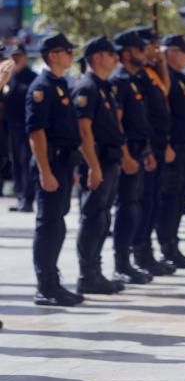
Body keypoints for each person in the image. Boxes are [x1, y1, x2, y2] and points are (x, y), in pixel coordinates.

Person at [25, 33, 84, 306]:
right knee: (48, 226)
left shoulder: (60, 84)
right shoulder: (42, 86)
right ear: (52, 55)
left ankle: (53, 282)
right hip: (50, 164)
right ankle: (45, 286)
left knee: (57, 225)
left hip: (62, 163)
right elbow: (36, 133)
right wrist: (44, 171)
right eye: (66, 51)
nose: (71, 55)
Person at [73, 36, 128, 295]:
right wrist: (93, 167)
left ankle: (95, 272)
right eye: (110, 54)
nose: (115, 58)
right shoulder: (87, 87)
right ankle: (87, 274)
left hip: (110, 159)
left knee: (103, 218)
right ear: (96, 57)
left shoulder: (104, 86)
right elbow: (84, 131)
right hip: (97, 161)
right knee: (93, 218)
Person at [110, 30, 158, 284]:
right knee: (126, 208)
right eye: (140, 50)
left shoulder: (135, 80)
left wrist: (147, 151)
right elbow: (118, 123)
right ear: (127, 53)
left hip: (140, 150)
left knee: (136, 207)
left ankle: (128, 261)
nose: (144, 54)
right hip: (127, 151)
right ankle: (120, 263)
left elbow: (141, 121)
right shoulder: (119, 81)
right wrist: (126, 154)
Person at [133, 27, 177, 276]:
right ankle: (139, 252)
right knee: (144, 201)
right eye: (151, 45)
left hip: (159, 144)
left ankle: (146, 252)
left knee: (153, 201)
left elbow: (165, 90)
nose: (155, 49)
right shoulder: (138, 75)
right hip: (147, 146)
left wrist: (160, 64)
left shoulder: (151, 72)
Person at [156, 34, 185, 268]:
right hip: (173, 147)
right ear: (170, 52)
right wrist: (169, 143)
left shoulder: (181, 78)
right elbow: (165, 115)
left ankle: (173, 245)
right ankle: (166, 248)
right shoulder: (166, 79)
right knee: (169, 200)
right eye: (183, 51)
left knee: (178, 199)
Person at [5, 43, 37, 213]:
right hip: (12, 128)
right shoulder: (9, 78)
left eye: (19, 56)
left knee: (26, 163)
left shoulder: (32, 77)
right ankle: (20, 197)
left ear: (25, 57)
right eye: (13, 56)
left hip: (28, 128)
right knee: (15, 162)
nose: (16, 59)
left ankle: (28, 199)